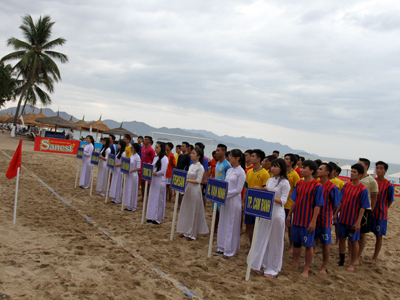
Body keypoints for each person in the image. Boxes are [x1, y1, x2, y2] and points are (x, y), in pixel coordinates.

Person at [249, 158, 290, 278]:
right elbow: (266, 193)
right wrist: (260, 191)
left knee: (274, 241)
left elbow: (283, 201)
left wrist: (269, 195)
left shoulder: (284, 183)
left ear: (281, 168)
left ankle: (273, 267)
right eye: (272, 166)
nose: (273, 168)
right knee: (262, 236)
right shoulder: (270, 180)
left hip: (277, 213)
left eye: (276, 166)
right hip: (267, 211)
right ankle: (261, 262)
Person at [286, 160, 324, 278]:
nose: (301, 170)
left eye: (304, 168)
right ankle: (295, 264)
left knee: (308, 245)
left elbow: (318, 205)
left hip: (307, 220)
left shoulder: (317, 186)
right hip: (297, 219)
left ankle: (306, 268)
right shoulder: (300, 183)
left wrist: (313, 221)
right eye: (301, 167)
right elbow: (294, 200)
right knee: (296, 244)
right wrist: (289, 215)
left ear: (311, 171)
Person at [333, 163, 369, 272]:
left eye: (354, 172)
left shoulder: (363, 189)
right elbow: (341, 201)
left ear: (360, 175)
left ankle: (352, 263)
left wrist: (358, 221)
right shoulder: (347, 185)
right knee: (342, 240)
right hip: (343, 218)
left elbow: (363, 207)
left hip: (353, 220)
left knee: (354, 241)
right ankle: (342, 261)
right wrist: (336, 214)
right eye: (352, 171)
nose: (352, 174)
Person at [215, 149, 246, 259]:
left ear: (238, 158)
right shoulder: (229, 171)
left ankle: (230, 250)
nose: (230, 157)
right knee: (223, 222)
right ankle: (221, 247)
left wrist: (225, 194)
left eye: (232, 156)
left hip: (233, 200)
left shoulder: (241, 172)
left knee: (231, 225)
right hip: (225, 200)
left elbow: (238, 189)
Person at [176, 147, 209, 240]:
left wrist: (187, 180)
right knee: (187, 209)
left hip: (195, 189)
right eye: (192, 153)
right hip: (189, 188)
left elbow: (198, 180)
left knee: (194, 210)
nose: (191, 154)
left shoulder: (200, 167)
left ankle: (193, 233)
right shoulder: (191, 166)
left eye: (194, 153)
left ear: (198, 156)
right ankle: (186, 231)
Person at [315, 163, 340, 274]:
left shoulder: (333, 187)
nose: (318, 170)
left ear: (327, 172)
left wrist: (328, 213)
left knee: (325, 243)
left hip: (325, 218)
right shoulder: (315, 184)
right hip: (313, 217)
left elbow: (335, 204)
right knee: (311, 241)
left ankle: (324, 266)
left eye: (320, 169)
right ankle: (309, 262)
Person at [242, 149, 269, 253]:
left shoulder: (265, 173)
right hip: (249, 201)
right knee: (249, 226)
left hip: (259, 203)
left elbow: (266, 190)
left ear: (259, 159)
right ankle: (251, 245)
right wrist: (244, 201)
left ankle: (257, 247)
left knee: (257, 226)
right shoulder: (249, 171)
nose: (251, 158)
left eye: (253, 156)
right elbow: (246, 188)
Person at [356, 157, 379, 265]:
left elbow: (374, 198)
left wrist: (371, 211)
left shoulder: (371, 181)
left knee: (362, 234)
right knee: (353, 233)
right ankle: (351, 255)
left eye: (360, 164)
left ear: (365, 167)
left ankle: (358, 256)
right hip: (354, 209)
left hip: (365, 210)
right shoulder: (356, 179)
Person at [371, 161, 395, 262]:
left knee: (379, 236)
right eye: (377, 168)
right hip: (371, 212)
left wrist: (384, 208)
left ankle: (374, 257)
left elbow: (390, 200)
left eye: (381, 168)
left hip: (381, 214)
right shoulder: (373, 181)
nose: (379, 170)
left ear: (385, 171)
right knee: (362, 233)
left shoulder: (389, 185)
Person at [146, 141, 168, 224]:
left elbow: (162, 171)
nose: (155, 149)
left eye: (157, 147)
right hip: (154, 179)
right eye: (155, 147)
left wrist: (154, 173)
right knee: (152, 197)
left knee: (159, 199)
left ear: (161, 148)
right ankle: (151, 216)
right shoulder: (156, 157)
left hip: (160, 180)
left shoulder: (164, 158)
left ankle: (157, 218)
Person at [284, 153, 301, 253]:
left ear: (292, 162)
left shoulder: (294, 175)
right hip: (281, 203)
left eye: (287, 159)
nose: (284, 160)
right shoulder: (283, 173)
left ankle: (291, 245)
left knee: (290, 226)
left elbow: (297, 191)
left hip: (289, 204)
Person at [214, 144, 232, 231]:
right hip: (215, 191)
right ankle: (214, 229)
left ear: (224, 152)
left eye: (218, 150)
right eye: (216, 150)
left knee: (222, 212)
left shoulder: (227, 165)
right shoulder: (217, 163)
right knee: (215, 211)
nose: (216, 152)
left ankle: (222, 229)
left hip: (222, 192)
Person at [123, 143, 141, 211]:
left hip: (133, 175)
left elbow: (138, 168)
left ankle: (132, 206)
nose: (131, 149)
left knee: (132, 190)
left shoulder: (137, 156)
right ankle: (128, 205)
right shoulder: (132, 156)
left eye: (132, 148)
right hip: (129, 174)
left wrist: (130, 171)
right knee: (128, 189)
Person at [140, 136, 155, 201]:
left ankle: (148, 198)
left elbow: (153, 159)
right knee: (142, 183)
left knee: (148, 184)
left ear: (149, 141)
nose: (144, 140)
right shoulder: (142, 148)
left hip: (148, 168)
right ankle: (143, 197)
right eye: (144, 139)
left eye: (146, 140)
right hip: (142, 167)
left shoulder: (151, 150)